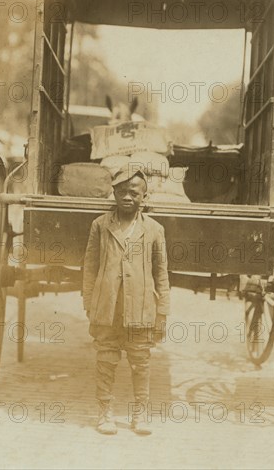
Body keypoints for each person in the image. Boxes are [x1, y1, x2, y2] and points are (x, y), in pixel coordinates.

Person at [83, 165, 170, 435]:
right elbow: (90, 266)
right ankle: (104, 412)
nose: (127, 197)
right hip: (108, 306)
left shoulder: (155, 230)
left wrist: (162, 311)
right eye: (121, 192)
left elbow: (161, 273)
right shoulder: (100, 225)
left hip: (141, 308)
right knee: (106, 359)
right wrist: (90, 303)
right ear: (114, 194)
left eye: (134, 192)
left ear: (144, 196)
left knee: (140, 361)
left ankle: (140, 415)